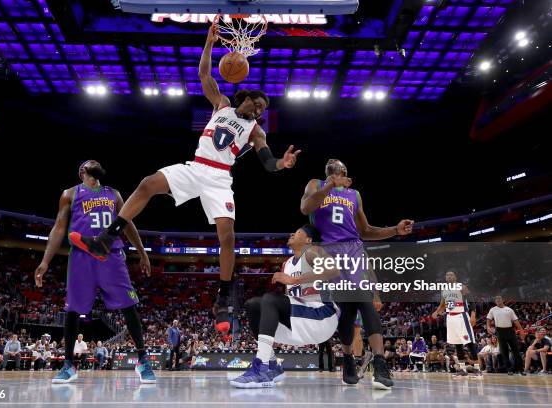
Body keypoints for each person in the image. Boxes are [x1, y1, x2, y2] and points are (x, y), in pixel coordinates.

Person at [68, 24, 301, 333]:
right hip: (195, 166)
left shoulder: (256, 131)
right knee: (147, 183)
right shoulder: (222, 104)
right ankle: (106, 239)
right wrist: (208, 44)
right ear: (244, 98)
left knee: (227, 237)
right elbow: (205, 75)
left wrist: (282, 164)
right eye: (256, 104)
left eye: (262, 110)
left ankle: (225, 295)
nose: (258, 111)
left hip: (219, 178)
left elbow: (267, 160)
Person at [34, 160, 155, 384]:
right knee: (72, 310)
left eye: (97, 162)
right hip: (81, 257)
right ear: (82, 171)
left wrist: (142, 252)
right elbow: (59, 227)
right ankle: (68, 365)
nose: (96, 163)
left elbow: (127, 223)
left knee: (129, 306)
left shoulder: (114, 194)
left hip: (112, 255)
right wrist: (45, 261)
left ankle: (143, 360)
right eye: (91, 162)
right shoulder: (70, 194)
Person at [300, 159, 414, 390]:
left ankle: (380, 364)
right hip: (329, 251)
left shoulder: (355, 194)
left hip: (354, 249)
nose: (332, 160)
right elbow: (306, 208)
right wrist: (329, 186)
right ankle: (348, 359)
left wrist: (394, 230)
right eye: (330, 163)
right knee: (348, 311)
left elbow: (366, 231)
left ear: (345, 173)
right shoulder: (316, 183)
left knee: (365, 301)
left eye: (338, 164)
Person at [231, 225, 340, 388]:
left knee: (270, 299)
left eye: (297, 232)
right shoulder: (287, 264)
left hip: (322, 316)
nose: (291, 234)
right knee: (253, 305)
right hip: (301, 322)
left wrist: (295, 280)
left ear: (308, 240)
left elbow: (334, 270)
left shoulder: (313, 251)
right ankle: (273, 365)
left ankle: (262, 367)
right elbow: (289, 299)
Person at [431, 271, 480, 377]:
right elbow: (443, 304)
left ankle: (477, 368)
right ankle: (462, 369)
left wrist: (473, 315)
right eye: (447, 275)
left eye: (451, 274)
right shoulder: (444, 290)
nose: (449, 276)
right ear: (445, 277)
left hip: (462, 316)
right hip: (450, 317)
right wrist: (437, 311)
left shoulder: (461, 287)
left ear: (455, 277)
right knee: (457, 344)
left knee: (469, 342)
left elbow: (471, 301)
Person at [486, 295, 525, 375]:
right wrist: (488, 327)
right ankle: (509, 369)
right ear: (495, 301)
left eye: (499, 299)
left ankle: (521, 369)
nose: (498, 300)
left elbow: (516, 321)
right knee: (504, 351)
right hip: (500, 331)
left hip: (510, 331)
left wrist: (521, 330)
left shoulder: (509, 310)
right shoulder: (493, 310)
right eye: (496, 299)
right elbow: (488, 319)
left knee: (516, 351)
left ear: (503, 300)